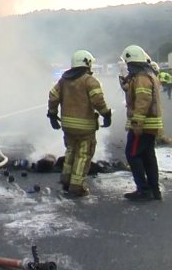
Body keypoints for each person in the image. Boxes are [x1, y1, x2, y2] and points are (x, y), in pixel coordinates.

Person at [47, 49, 112, 197]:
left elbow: (53, 96)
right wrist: (106, 114)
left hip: (67, 125)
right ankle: (77, 187)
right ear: (87, 63)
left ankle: (66, 179)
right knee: (83, 155)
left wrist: (52, 114)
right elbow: (98, 101)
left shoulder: (63, 80)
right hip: (85, 127)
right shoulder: (89, 81)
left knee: (70, 151)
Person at [120, 45, 164, 201]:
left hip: (143, 125)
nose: (127, 67)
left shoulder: (141, 78)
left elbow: (142, 101)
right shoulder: (147, 75)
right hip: (150, 124)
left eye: (128, 64)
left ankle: (144, 191)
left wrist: (137, 123)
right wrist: (125, 84)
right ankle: (154, 190)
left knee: (132, 154)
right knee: (148, 156)